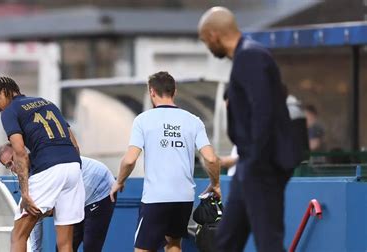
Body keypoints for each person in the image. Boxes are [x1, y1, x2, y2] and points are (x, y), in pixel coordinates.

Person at [198, 7, 301, 252]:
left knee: (268, 242)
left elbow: (262, 113)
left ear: (214, 35)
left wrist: (253, 161)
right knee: (226, 240)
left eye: (205, 41)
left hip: (261, 167)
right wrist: (241, 161)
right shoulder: (247, 56)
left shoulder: (250, 56)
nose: (207, 47)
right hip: (250, 166)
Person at [110, 71, 221, 252]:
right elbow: (210, 158)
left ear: (151, 91)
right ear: (174, 91)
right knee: (174, 244)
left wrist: (119, 181)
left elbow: (130, 160)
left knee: (142, 249)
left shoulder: (143, 120)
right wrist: (215, 184)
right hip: (184, 197)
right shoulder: (193, 121)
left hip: (156, 196)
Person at [0, 76, 85, 252]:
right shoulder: (46, 102)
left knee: (18, 235)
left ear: (4, 92)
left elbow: (20, 152)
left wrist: (25, 193)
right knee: (65, 243)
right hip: (73, 167)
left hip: (49, 168)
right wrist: (71, 174)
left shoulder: (10, 111)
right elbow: (74, 144)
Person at [0, 143, 116, 252]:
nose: (14, 165)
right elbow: (33, 217)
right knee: (63, 247)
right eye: (8, 165)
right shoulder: (27, 180)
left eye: (13, 159)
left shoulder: (42, 166)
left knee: (91, 247)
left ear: (21, 153)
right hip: (78, 197)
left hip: (100, 188)